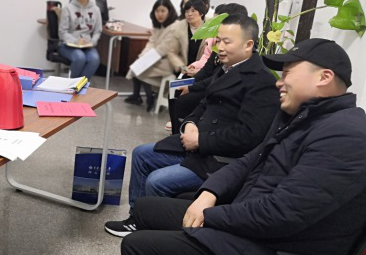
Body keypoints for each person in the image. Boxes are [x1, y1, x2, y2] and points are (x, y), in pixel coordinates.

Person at [116, 38, 366, 255]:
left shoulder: (346, 136)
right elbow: (250, 160)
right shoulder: (303, 117)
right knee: (147, 209)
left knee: (139, 248)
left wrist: (210, 217)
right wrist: (209, 193)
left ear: (324, 77)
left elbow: (281, 215)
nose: (279, 82)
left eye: (288, 72)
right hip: (254, 235)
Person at [105, 14, 279, 237]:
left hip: (220, 160)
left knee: (157, 181)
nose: (220, 47)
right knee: (141, 154)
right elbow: (204, 104)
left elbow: (249, 136)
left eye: (227, 42)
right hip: (199, 146)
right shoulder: (226, 68)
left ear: (248, 45)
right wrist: (189, 124)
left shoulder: (262, 81)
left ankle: (149, 229)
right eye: (218, 40)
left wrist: (200, 140)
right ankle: (136, 218)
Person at [167, 3, 249, 133]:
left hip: (216, 88)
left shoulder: (237, 49)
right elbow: (207, 69)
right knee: (174, 90)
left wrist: (191, 87)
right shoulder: (218, 44)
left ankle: (183, 133)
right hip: (209, 82)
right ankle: (176, 132)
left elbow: (218, 78)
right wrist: (190, 82)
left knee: (184, 101)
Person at [124, 0, 183, 111]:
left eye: (163, 11)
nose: (159, 14)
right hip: (157, 57)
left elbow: (164, 49)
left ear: (169, 11)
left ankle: (148, 97)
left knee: (139, 69)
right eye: (157, 11)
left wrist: (145, 59)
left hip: (169, 61)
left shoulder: (175, 26)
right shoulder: (160, 25)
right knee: (137, 64)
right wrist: (143, 56)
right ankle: (143, 96)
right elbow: (151, 42)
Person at [58, 0, 102, 79]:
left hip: (87, 46)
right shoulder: (68, 8)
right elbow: (62, 32)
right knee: (79, 57)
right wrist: (76, 41)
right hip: (68, 45)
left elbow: (97, 31)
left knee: (94, 59)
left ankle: (80, 86)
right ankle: (72, 85)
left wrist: (92, 42)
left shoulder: (96, 10)